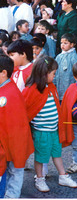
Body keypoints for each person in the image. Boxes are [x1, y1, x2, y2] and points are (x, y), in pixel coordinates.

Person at [22, 56, 77, 193]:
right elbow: (25, 109)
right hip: (41, 131)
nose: (55, 76)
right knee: (41, 157)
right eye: (53, 73)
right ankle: (39, 178)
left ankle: (63, 175)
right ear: (45, 73)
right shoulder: (31, 89)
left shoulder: (51, 86)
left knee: (57, 153)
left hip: (53, 129)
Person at [0, 54, 34, 198]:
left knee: (15, 171)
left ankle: (11, 196)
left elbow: (14, 125)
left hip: (14, 142)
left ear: (3, 73)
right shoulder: (7, 88)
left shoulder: (9, 95)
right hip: (9, 141)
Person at [54, 33, 77, 101]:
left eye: (65, 43)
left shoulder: (75, 57)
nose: (62, 45)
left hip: (70, 83)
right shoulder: (59, 56)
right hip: (59, 84)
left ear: (72, 44)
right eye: (61, 43)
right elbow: (54, 70)